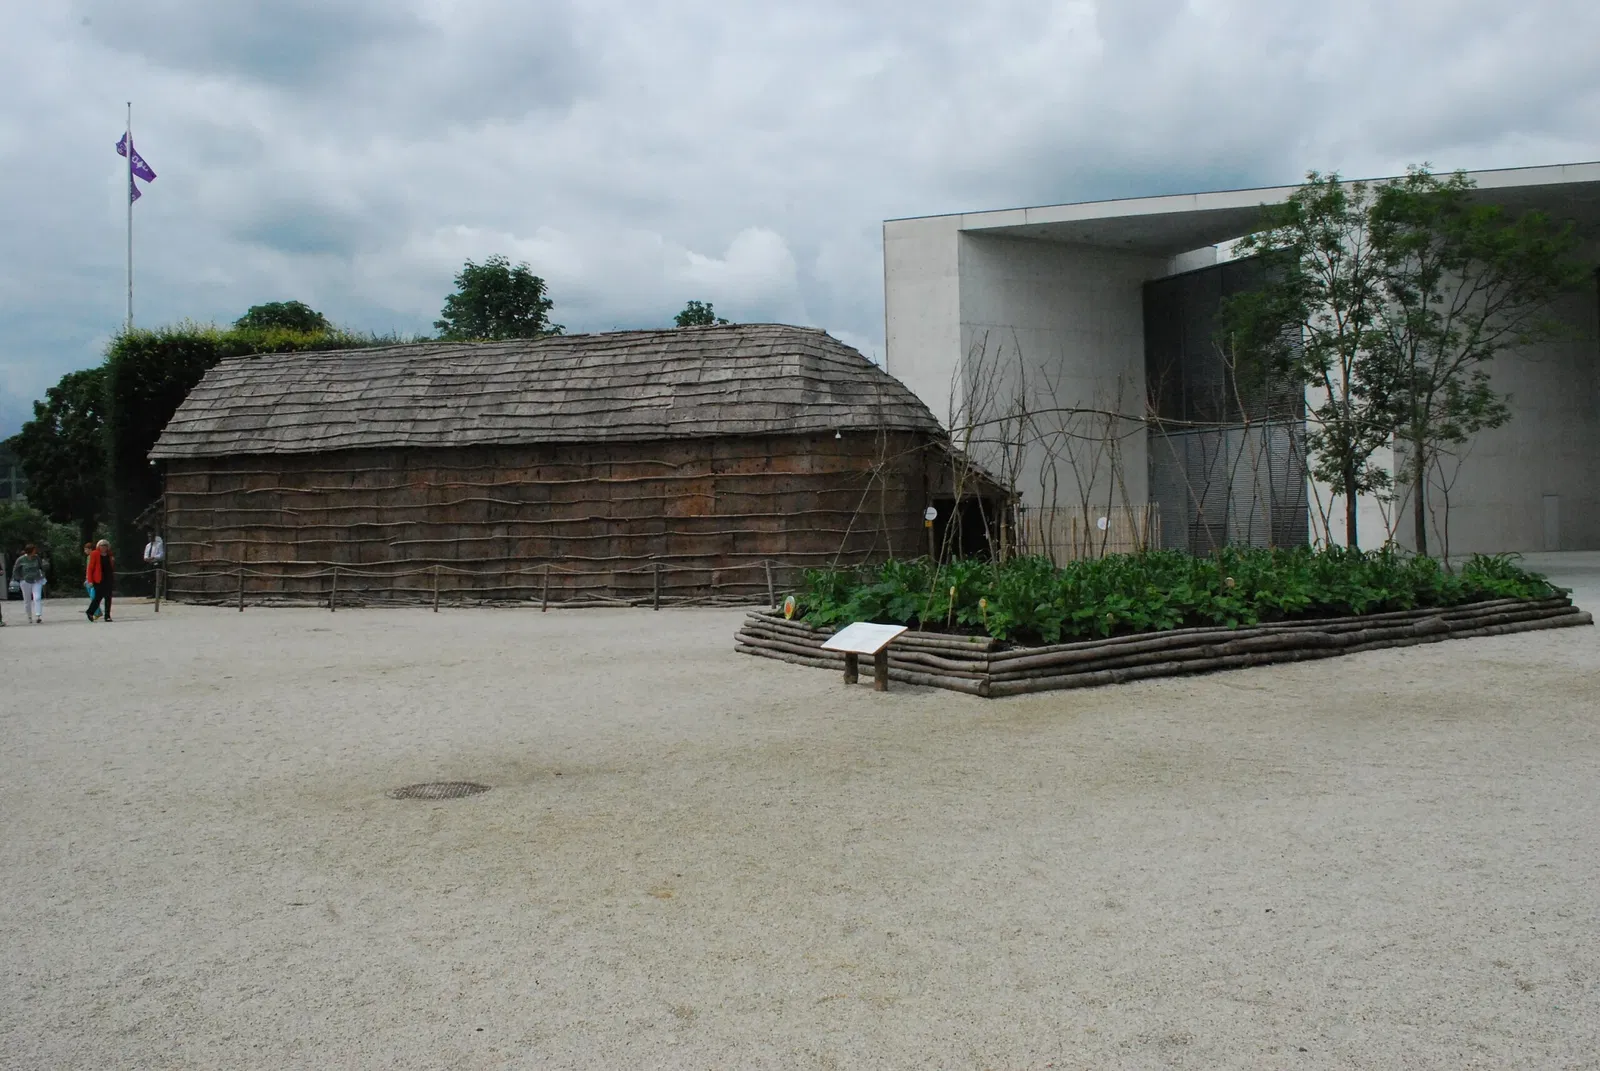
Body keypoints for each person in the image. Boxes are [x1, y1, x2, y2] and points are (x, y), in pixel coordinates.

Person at [12, 544, 47, 624]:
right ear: (30, 551)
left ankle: (38, 615)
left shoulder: (37, 558)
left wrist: (43, 573)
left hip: (36, 580)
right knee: (27, 600)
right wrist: (19, 578)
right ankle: (29, 616)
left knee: (37, 597)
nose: (36, 551)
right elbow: (15, 569)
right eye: (34, 550)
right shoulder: (21, 559)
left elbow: (41, 567)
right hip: (25, 581)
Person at [86, 539, 116, 623]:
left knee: (108, 598)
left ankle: (107, 616)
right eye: (102, 545)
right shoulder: (95, 554)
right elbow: (90, 568)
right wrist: (90, 580)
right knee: (98, 598)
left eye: (105, 545)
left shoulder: (109, 555)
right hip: (98, 579)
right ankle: (90, 612)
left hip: (108, 578)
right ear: (98, 546)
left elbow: (111, 566)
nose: (103, 547)